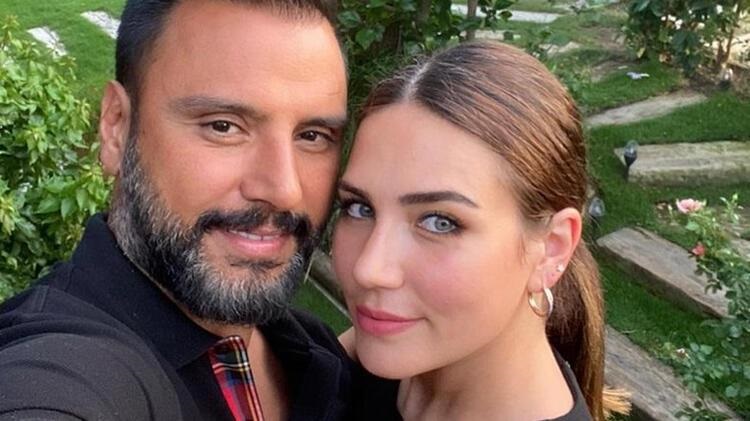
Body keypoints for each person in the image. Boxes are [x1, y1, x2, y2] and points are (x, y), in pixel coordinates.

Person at [0, 0, 351, 420]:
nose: (285, 190)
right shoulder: (60, 369)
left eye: (313, 135)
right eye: (223, 126)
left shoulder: (311, 354)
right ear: (116, 127)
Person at [333, 41, 630, 420]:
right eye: (359, 208)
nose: (368, 269)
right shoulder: (376, 356)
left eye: (440, 222)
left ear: (551, 248)